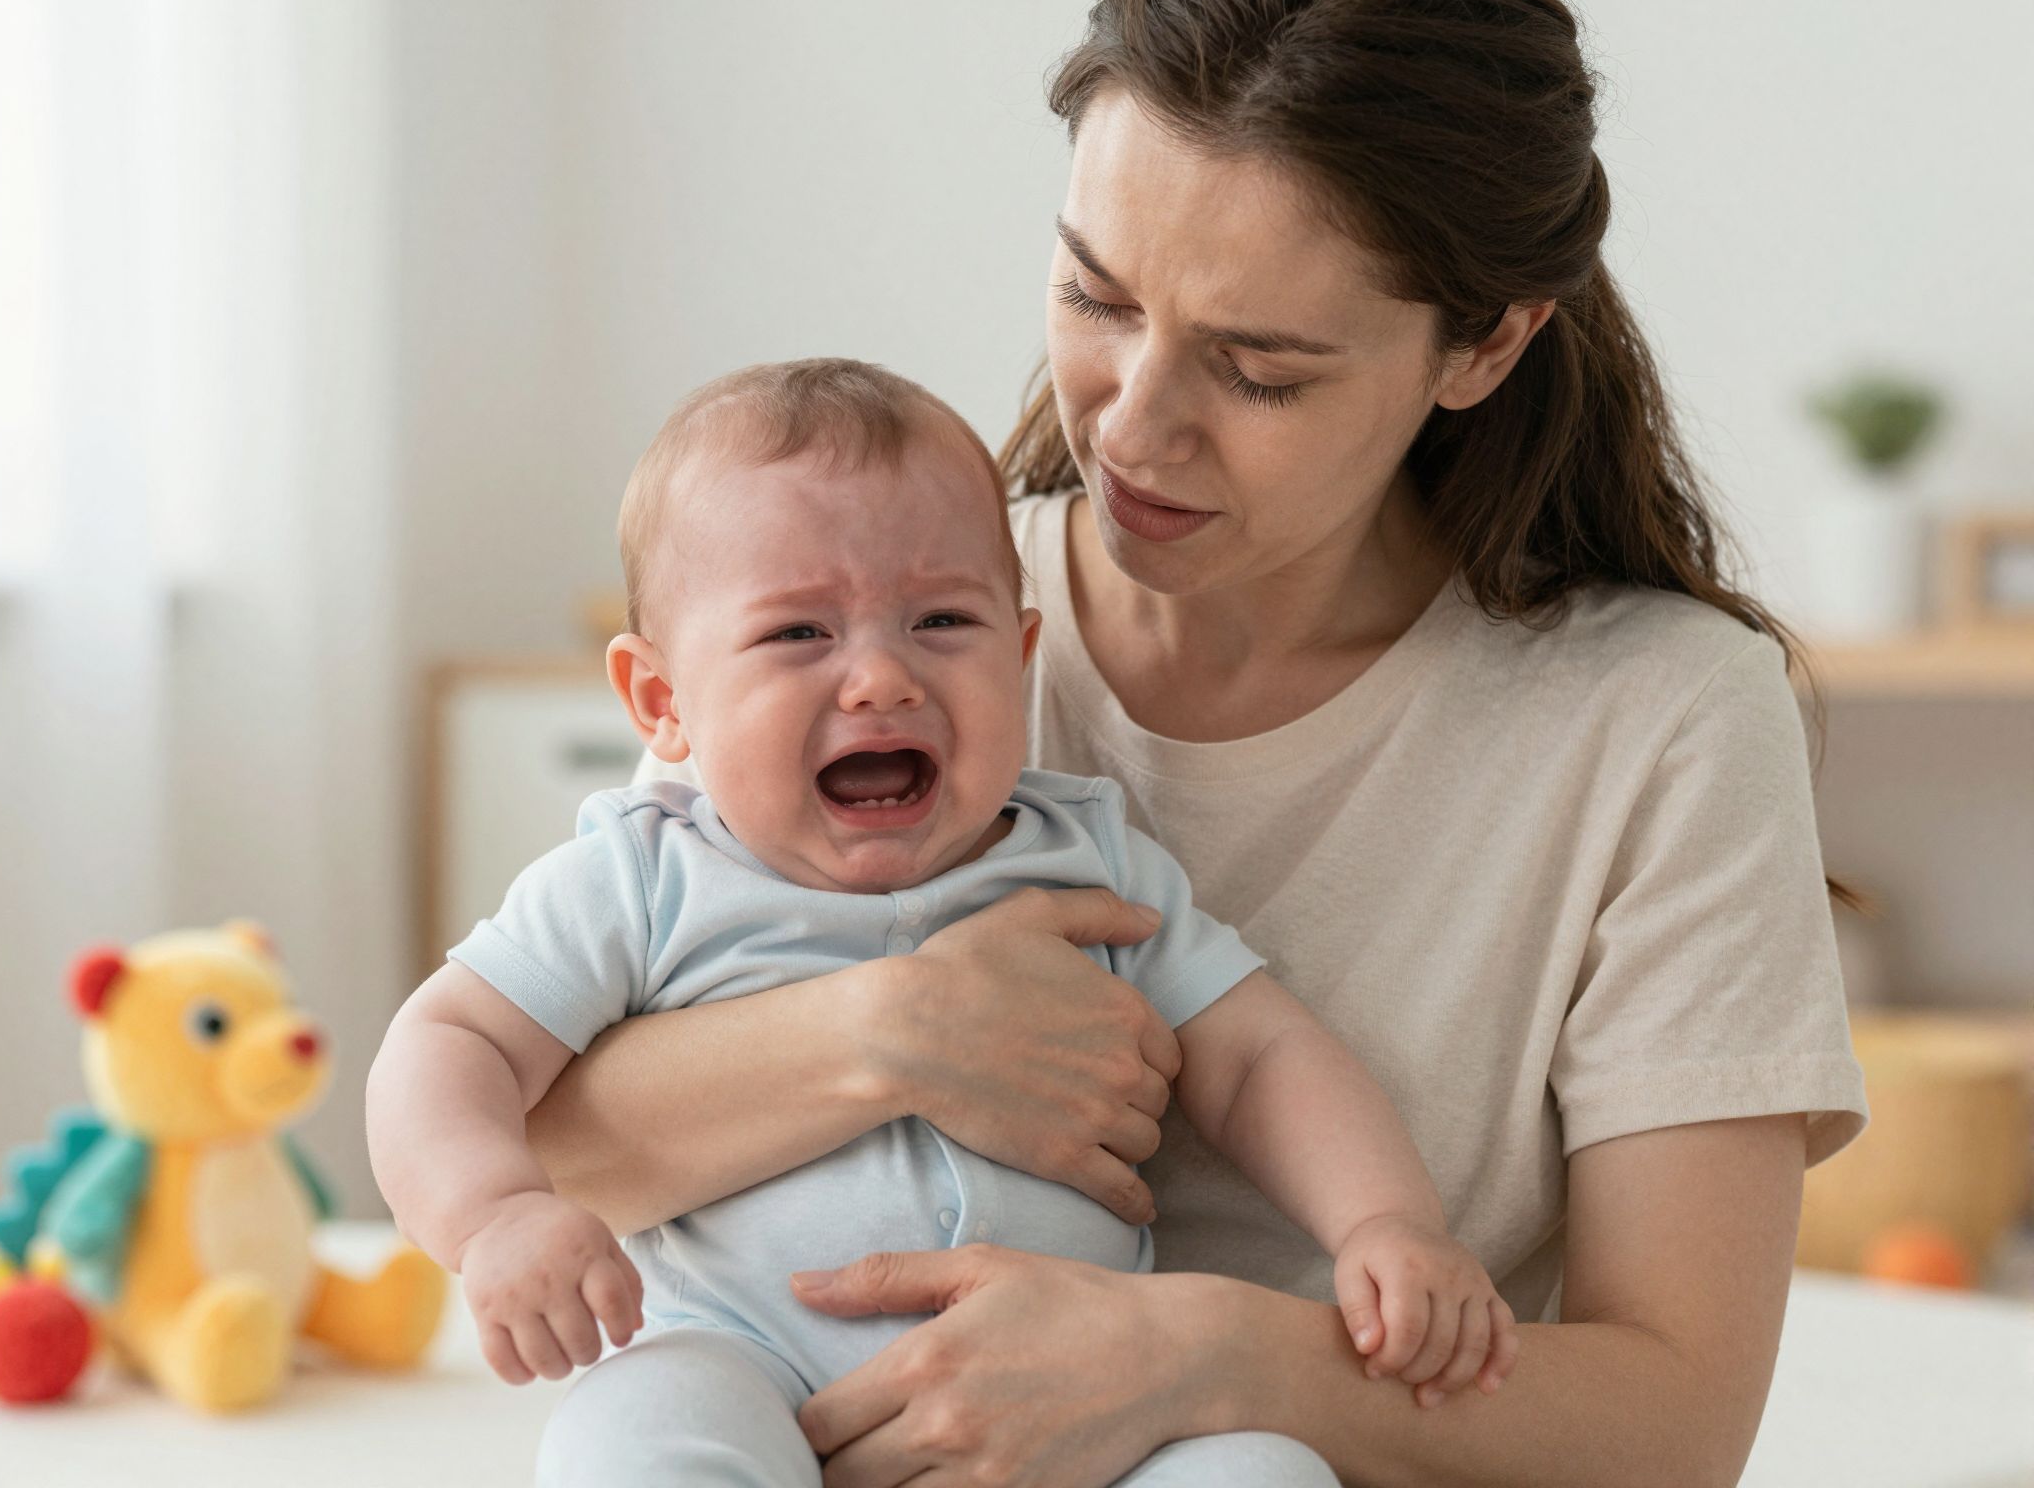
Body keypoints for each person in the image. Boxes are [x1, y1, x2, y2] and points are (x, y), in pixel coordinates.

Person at [524, 0, 1868, 1484]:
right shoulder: (881, 619)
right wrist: (896, 1031)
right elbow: (547, 1138)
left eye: (1258, 369)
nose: (1133, 424)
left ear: (1485, 343)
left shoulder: (1662, 720)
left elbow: (1677, 1424)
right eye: (1095, 296)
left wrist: (1202, 1360)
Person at [368, 358, 1518, 1488]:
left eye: (940, 620)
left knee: (1264, 1471)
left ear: (1019, 659)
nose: (881, 678)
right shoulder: (640, 874)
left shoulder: (1089, 859)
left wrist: (1386, 1222)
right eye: (798, 634)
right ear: (661, 703)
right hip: (745, 1366)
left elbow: (1258, 1055)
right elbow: (446, 1044)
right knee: (633, 1430)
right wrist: (494, 1215)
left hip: (1077, 1404)